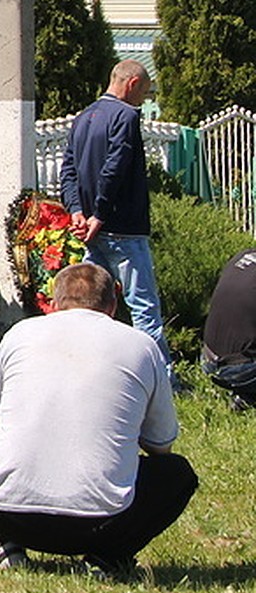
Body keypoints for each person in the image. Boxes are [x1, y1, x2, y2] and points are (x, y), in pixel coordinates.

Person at [0, 263, 197, 579]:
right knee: (176, 474)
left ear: (54, 304)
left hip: (10, 514)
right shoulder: (141, 346)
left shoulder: (20, 334)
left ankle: (6, 544)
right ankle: (106, 557)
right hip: (103, 523)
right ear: (112, 305)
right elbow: (161, 445)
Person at [59, 58, 175, 376]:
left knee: (88, 306)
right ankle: (160, 380)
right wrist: (100, 212)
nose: (143, 101)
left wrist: (77, 211)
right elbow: (116, 166)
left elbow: (68, 169)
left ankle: (85, 370)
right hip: (122, 226)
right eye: (144, 93)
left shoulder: (84, 117)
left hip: (92, 229)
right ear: (132, 84)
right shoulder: (125, 115)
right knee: (143, 306)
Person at [201, 249, 256, 409]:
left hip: (209, 360)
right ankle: (246, 391)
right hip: (240, 367)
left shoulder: (244, 256)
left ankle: (246, 395)